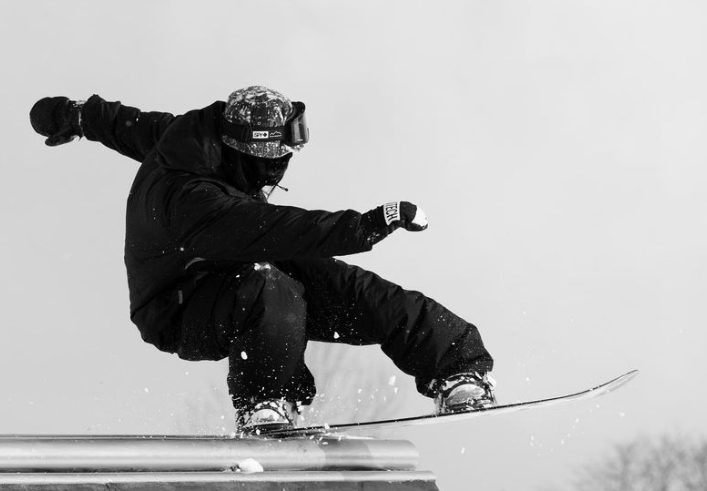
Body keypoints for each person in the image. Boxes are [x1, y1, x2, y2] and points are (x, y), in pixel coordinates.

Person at [29, 85, 495, 433]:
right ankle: (265, 401)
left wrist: (75, 115)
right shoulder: (191, 199)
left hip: (235, 266)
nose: (284, 164)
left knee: (343, 284)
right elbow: (276, 227)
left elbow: (121, 123)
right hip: (179, 307)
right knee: (270, 284)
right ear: (250, 151)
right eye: (279, 155)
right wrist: (365, 224)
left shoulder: (190, 137)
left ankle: (456, 367)